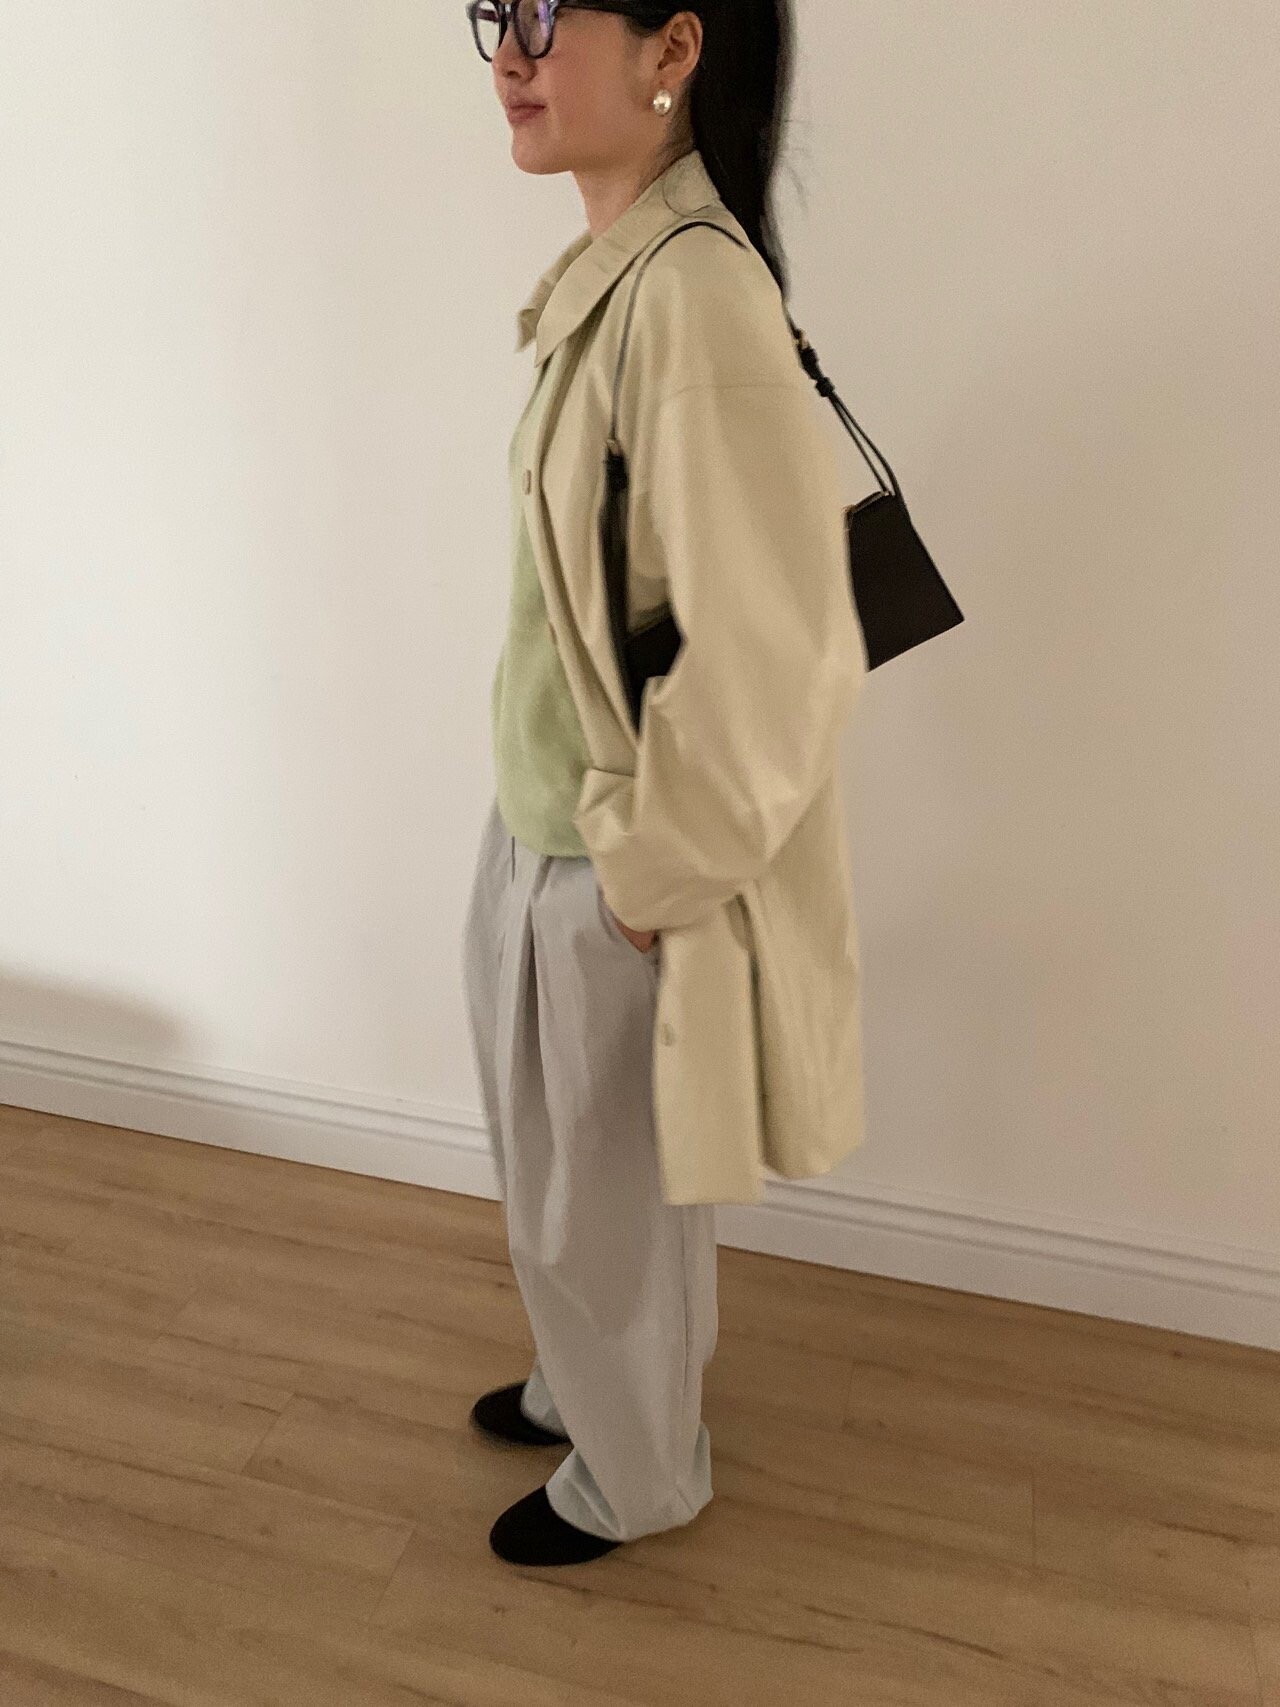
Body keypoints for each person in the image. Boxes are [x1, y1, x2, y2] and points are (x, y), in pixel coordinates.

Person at [461, 0, 866, 1568]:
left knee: (610, 1203)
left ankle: (637, 1476)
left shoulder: (695, 299)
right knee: (563, 1177)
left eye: (545, 14)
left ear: (673, 50)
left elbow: (773, 660)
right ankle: (587, 1389)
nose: (510, 53)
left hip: (610, 850)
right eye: (493, 15)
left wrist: (648, 877)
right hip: (541, 818)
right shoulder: (624, 274)